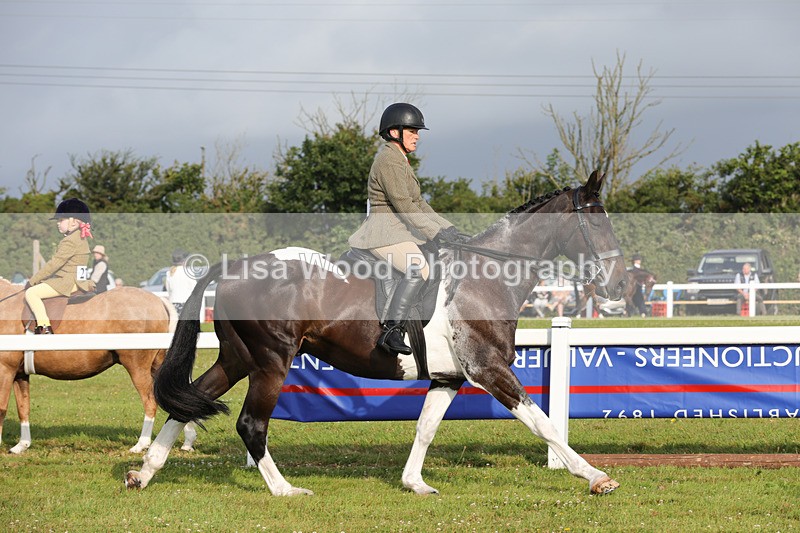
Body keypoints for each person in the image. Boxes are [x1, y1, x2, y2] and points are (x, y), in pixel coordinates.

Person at [349, 103, 467, 356]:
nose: (417, 136)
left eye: (417, 131)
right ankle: (392, 331)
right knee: (419, 268)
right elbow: (403, 205)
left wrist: (448, 229)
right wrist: (434, 232)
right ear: (394, 132)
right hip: (383, 232)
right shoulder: (389, 161)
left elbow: (419, 203)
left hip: (398, 230)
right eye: (412, 130)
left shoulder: (400, 160)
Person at [24, 198, 94, 334]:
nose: (58, 223)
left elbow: (54, 265)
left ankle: (44, 326)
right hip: (80, 281)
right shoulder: (80, 237)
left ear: (74, 221)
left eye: (61, 220)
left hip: (67, 282)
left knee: (31, 293)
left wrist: (33, 280)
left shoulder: (69, 241)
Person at [165, 249, 196, 315]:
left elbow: (169, 289)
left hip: (173, 303)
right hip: (186, 303)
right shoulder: (189, 272)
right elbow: (194, 289)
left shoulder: (169, 273)